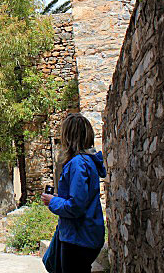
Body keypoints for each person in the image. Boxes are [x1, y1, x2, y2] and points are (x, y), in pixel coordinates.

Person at [41, 113, 106, 273]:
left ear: (69, 137)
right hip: (86, 235)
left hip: (78, 238)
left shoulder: (77, 164)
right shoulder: (88, 161)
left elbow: (76, 206)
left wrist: (53, 201)